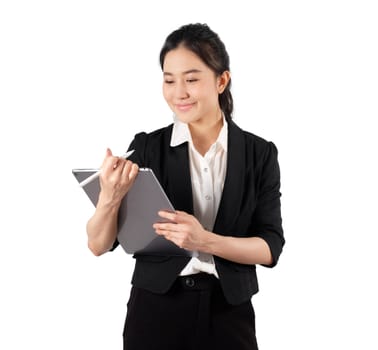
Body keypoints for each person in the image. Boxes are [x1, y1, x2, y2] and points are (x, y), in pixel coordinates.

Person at [85, 23, 285, 350]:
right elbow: (97, 244)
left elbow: (270, 247)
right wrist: (109, 197)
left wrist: (204, 240)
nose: (179, 92)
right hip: (155, 310)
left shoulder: (258, 153)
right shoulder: (147, 148)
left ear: (221, 81)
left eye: (191, 79)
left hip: (228, 312)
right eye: (169, 80)